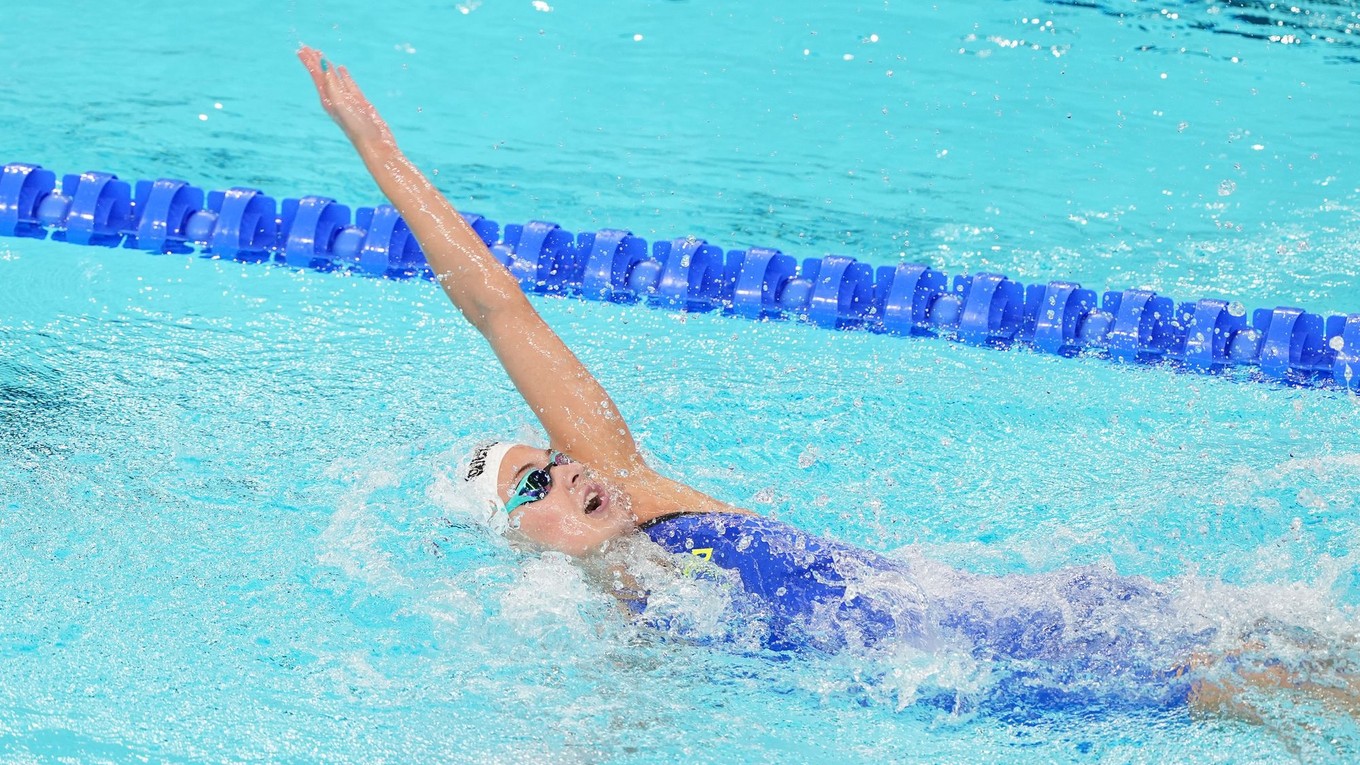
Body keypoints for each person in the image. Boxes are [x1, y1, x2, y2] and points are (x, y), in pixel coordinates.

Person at [297, 47, 1359, 722]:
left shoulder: (644, 494)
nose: (566, 470)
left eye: (553, 455)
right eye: (533, 484)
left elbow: (499, 310)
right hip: (983, 679)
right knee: (1282, 694)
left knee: (1293, 661)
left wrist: (376, 150)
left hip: (1024, 619)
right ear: (515, 544)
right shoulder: (615, 629)